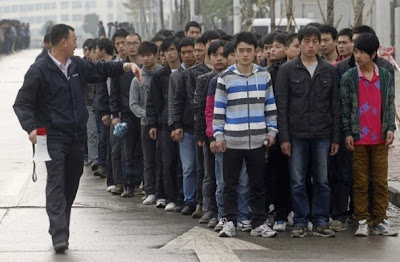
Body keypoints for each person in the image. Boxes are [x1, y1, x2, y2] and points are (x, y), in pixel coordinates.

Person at [13, 24, 141, 254]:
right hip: (51, 136)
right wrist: (31, 128)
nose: (76, 43)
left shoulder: (76, 66)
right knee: (56, 182)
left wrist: (126, 65)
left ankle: (62, 226)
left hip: (76, 137)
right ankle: (59, 234)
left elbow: (100, 71)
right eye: (73, 40)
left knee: (71, 185)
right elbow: (22, 103)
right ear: (63, 42)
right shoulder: (40, 70)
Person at [275, 25, 340, 238]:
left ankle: (320, 220)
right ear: (300, 43)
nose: (311, 46)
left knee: (322, 180)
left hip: (323, 134)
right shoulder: (287, 70)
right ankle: (301, 221)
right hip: (296, 135)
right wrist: (283, 137)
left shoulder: (329, 70)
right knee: (297, 180)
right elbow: (281, 106)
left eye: (315, 41)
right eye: (307, 41)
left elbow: (335, 107)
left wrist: (335, 137)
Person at [213, 32, 278, 238]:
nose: (245, 54)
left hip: (258, 141)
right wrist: (218, 135)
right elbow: (219, 110)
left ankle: (259, 222)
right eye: (241, 50)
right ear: (235, 52)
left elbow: (270, 107)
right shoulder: (225, 78)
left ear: (256, 52)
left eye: (249, 50)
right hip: (232, 140)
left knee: (258, 185)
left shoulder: (264, 76)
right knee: (229, 185)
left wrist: (272, 132)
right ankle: (229, 221)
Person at [340, 33, 398, 237]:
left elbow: (390, 104)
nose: (357, 55)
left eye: (362, 52)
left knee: (381, 181)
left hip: (380, 138)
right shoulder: (349, 77)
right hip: (358, 138)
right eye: (356, 51)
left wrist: (390, 127)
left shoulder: (385, 75)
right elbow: (345, 108)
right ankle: (362, 219)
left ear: (373, 54)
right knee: (360, 181)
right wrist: (348, 132)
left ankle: (380, 220)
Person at [147, 36, 183, 210]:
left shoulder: (185, 73)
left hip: (183, 123)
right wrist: (153, 123)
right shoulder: (160, 75)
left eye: (172, 50)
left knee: (182, 163)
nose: (169, 54)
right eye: (166, 51)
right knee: (166, 161)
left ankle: (182, 197)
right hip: (164, 124)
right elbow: (153, 102)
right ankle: (170, 197)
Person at [110, 33, 143, 197]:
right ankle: (129, 184)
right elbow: (114, 93)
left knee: (142, 151)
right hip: (127, 114)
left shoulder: (146, 66)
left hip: (145, 115)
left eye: (134, 43)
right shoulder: (120, 69)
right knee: (127, 151)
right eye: (128, 43)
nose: (130, 46)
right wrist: (115, 114)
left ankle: (140, 182)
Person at [130, 41, 162, 205]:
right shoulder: (137, 79)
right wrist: (147, 116)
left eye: (149, 54)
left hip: (162, 124)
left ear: (156, 54)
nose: (146, 58)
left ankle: (162, 191)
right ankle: (150, 190)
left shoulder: (163, 74)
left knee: (163, 159)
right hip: (145, 125)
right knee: (148, 159)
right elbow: (133, 104)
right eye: (143, 56)